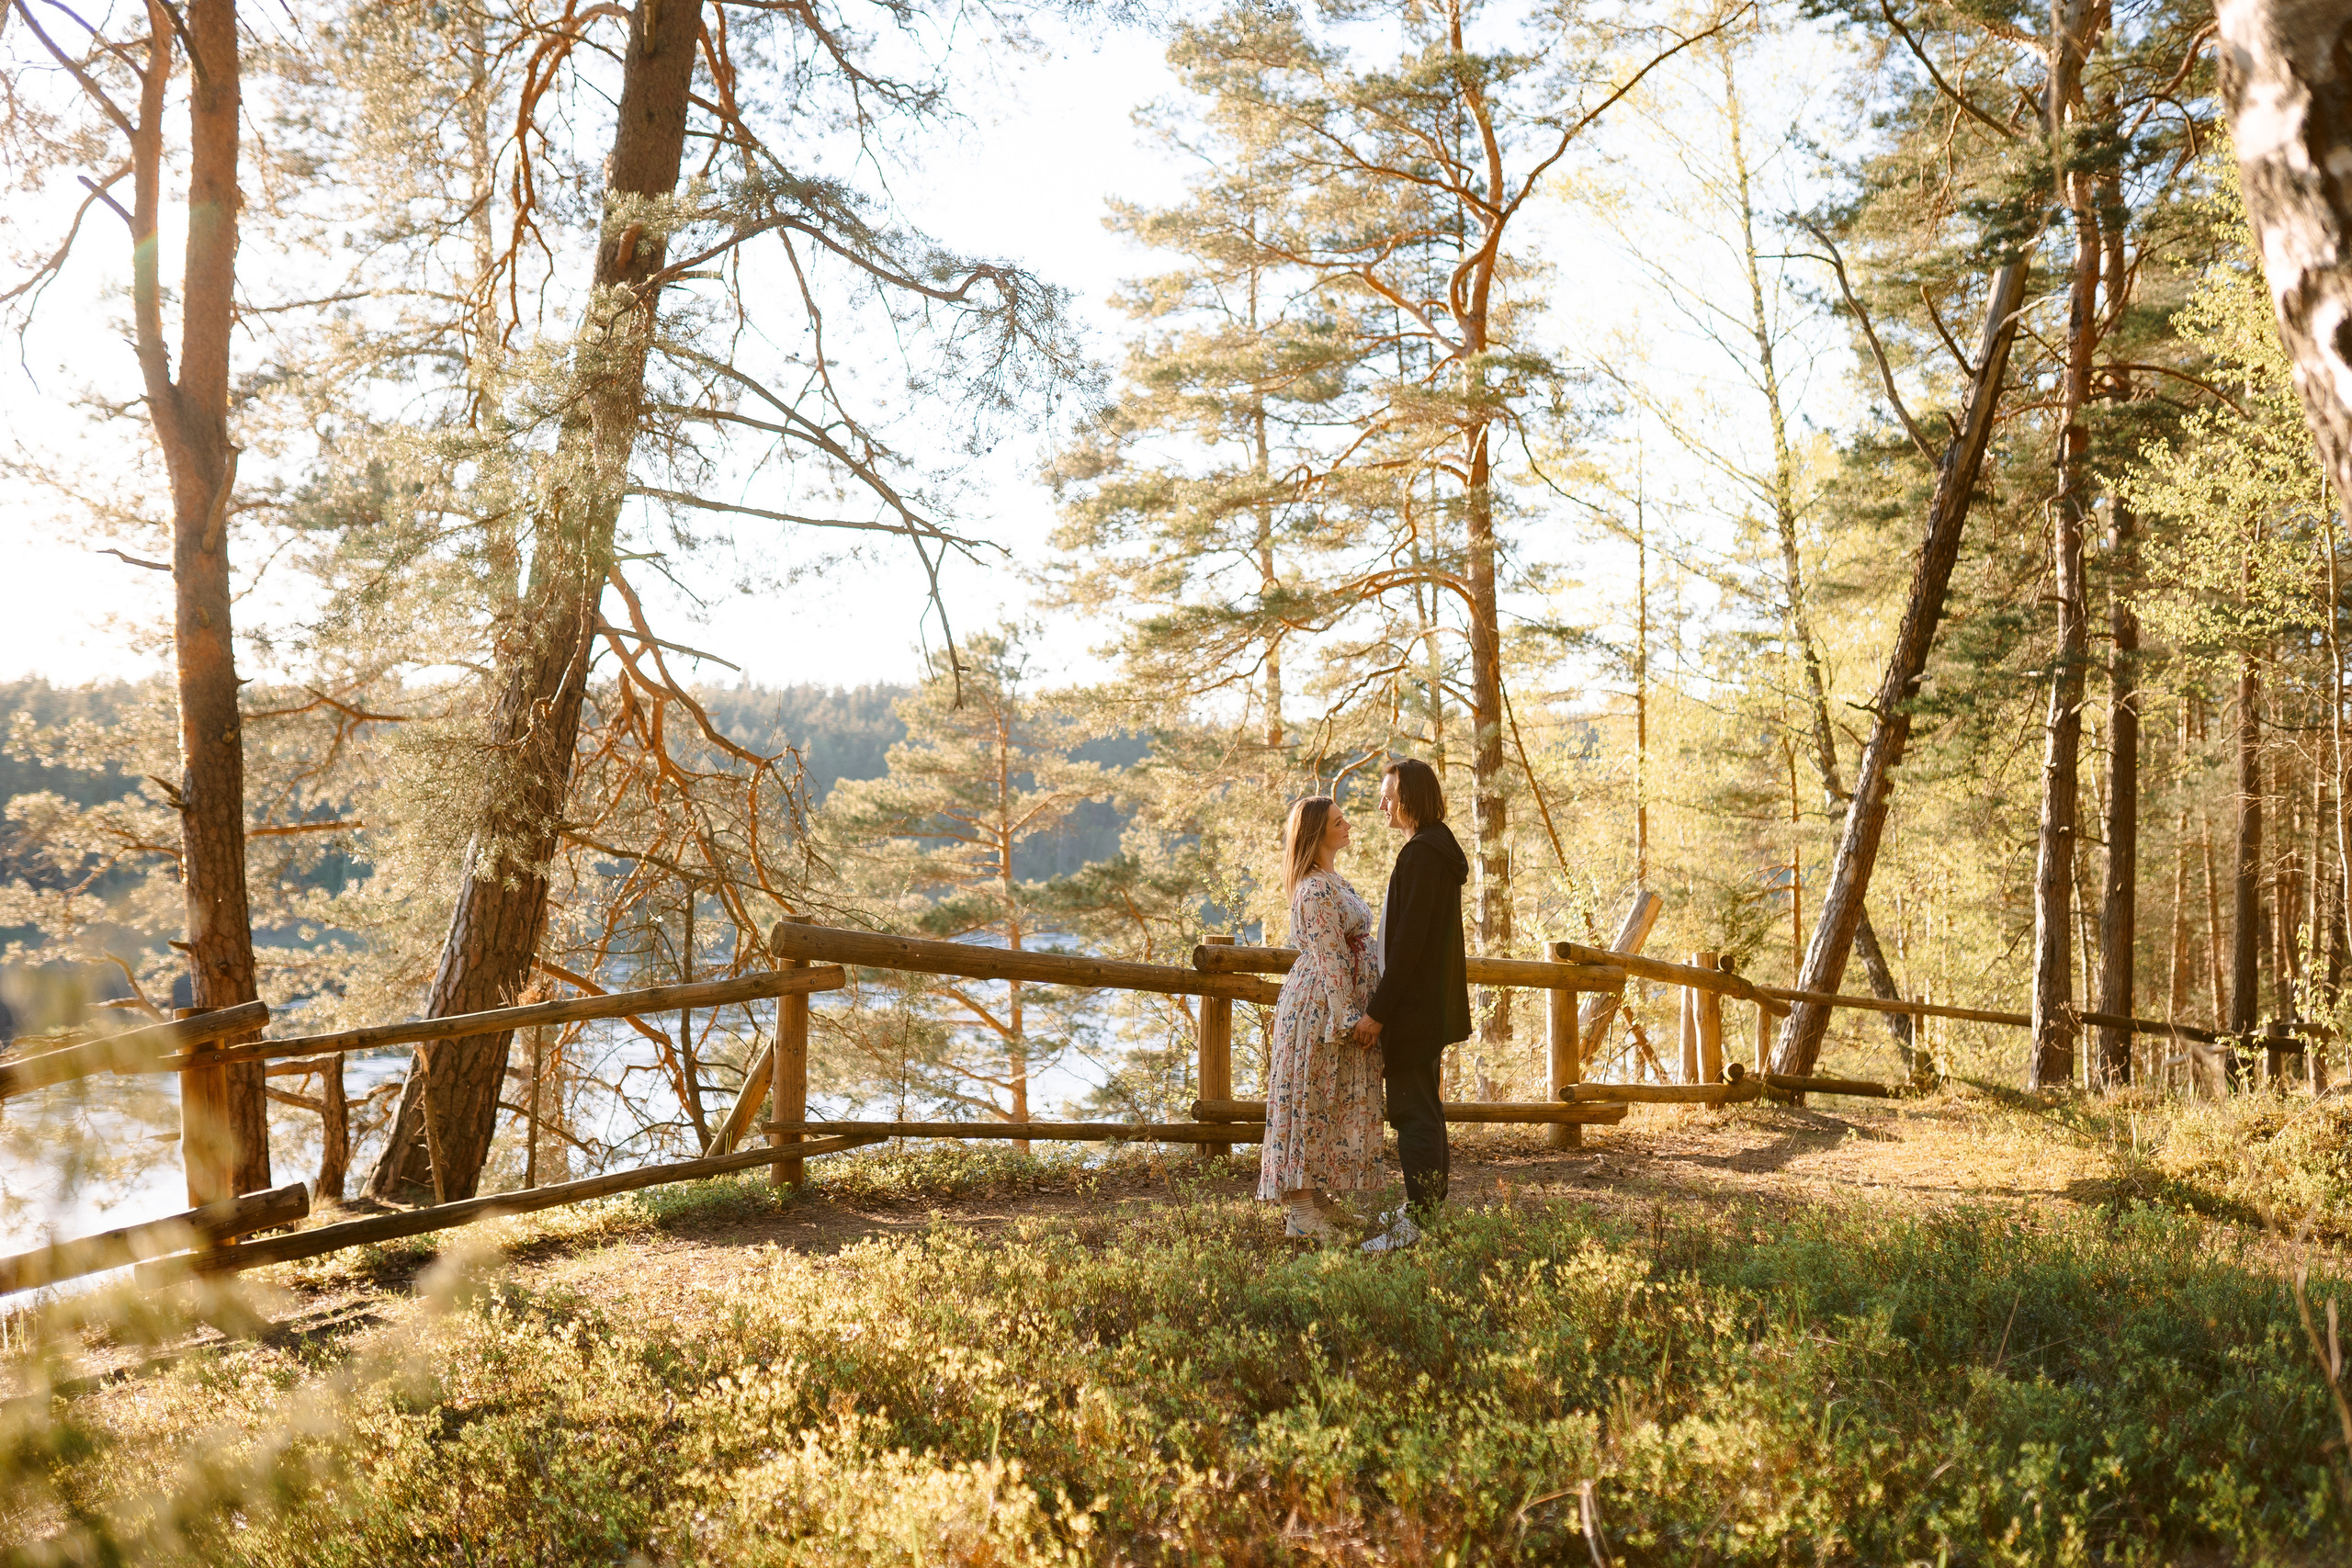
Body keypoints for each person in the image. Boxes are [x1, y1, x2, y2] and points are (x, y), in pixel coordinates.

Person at [1351, 757, 1469, 1253]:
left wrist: (1379, 1012)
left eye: (1388, 794)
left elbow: (1408, 945)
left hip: (1414, 1008)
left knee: (1411, 1113)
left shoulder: (1421, 855)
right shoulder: (1433, 849)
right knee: (1425, 1108)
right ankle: (1426, 1209)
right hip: (1429, 1005)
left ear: (1410, 797)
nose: (1382, 803)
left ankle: (1416, 1224)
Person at [1257, 795, 1385, 1239]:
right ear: (1317, 833)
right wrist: (1349, 1018)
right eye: (1337, 821)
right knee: (1309, 1101)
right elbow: (1330, 957)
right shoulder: (1314, 888)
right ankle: (1301, 1213)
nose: (1347, 824)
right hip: (1319, 1009)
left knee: (1328, 1103)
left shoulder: (1334, 880)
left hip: (1333, 1003)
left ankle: (1319, 1201)